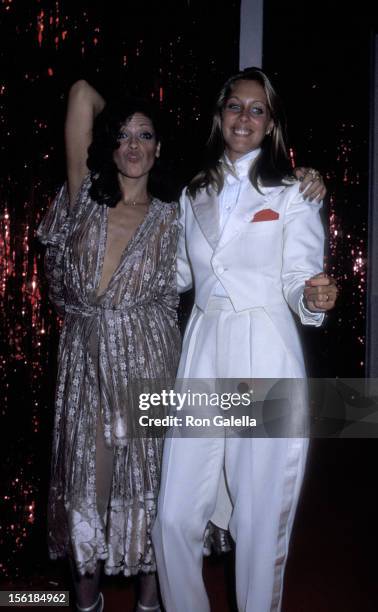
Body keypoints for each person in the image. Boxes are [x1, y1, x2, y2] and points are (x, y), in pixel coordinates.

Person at [152, 67, 338, 612]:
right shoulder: (194, 192)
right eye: (235, 106)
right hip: (204, 347)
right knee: (174, 514)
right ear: (219, 114)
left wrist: (315, 298)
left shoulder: (293, 192)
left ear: (271, 123)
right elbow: (181, 276)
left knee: (260, 521)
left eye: (257, 109)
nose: (244, 117)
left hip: (265, 350)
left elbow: (299, 278)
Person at [38, 80, 181, 612]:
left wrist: (300, 178)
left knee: (154, 490)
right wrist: (117, 111)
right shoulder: (83, 200)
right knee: (85, 497)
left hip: (152, 364)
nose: (134, 145)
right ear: (109, 146)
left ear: (160, 147)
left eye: (145, 135)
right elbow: (79, 93)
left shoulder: (175, 216)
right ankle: (86, 605)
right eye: (123, 136)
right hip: (86, 366)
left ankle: (149, 605)